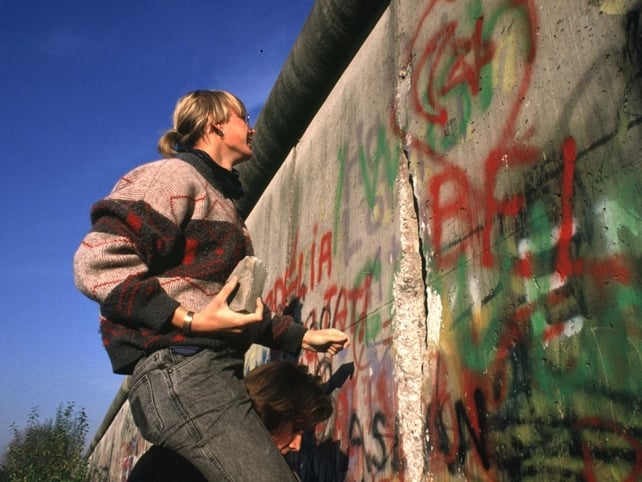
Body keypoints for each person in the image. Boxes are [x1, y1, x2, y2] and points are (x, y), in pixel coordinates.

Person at [73, 89, 349, 481]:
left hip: (208, 370)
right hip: (182, 368)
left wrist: (304, 338)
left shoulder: (225, 207)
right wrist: (187, 320)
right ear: (214, 123)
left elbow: (230, 314)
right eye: (243, 119)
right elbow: (96, 260)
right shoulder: (172, 177)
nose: (251, 129)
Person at [127, 360, 332, 482]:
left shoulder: (190, 451)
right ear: (269, 413)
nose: (297, 445)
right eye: (295, 428)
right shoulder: (184, 468)